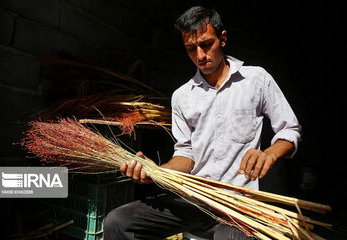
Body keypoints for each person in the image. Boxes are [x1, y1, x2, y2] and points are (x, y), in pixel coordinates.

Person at [104, 6, 302, 240]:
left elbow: (290, 129)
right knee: (117, 223)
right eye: (191, 49)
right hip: (194, 198)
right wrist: (155, 172)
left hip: (239, 204)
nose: (200, 56)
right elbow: (186, 156)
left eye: (206, 44)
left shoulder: (256, 79)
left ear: (223, 38)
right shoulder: (182, 96)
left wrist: (269, 154)